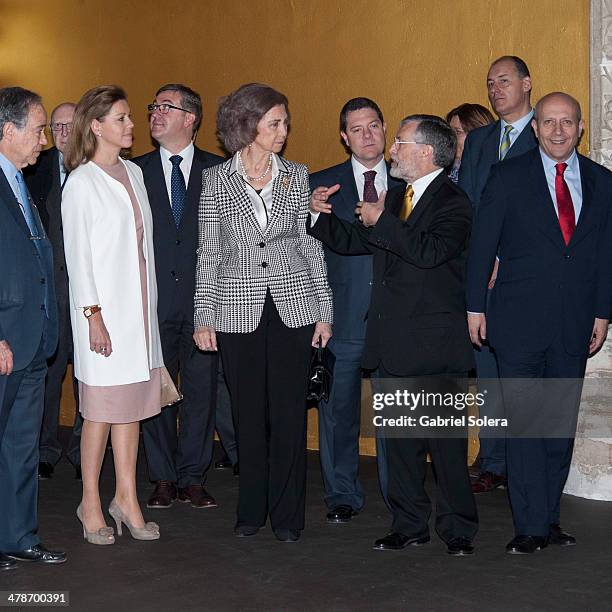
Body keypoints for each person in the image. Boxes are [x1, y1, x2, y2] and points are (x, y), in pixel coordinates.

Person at [309, 115, 478, 556]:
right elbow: (357, 241)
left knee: (445, 450)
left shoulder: (453, 202)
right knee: (401, 448)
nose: (391, 150)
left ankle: (458, 528)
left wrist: (382, 219)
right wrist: (318, 217)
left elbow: (429, 253)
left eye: (400, 142)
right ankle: (409, 523)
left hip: (436, 345)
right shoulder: (401, 196)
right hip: (392, 342)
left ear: (426, 152)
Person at [466, 92, 612, 554]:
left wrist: (603, 312)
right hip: (517, 323)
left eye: (566, 122)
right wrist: (475, 308)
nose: (556, 130)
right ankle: (528, 526)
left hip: (574, 325)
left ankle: (549, 520)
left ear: (580, 127)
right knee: (527, 426)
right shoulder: (507, 176)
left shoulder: (602, 182)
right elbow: (482, 246)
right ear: (535, 128)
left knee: (557, 428)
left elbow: (606, 255)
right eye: (548, 121)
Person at [193, 83, 333, 543]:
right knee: (247, 415)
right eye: (274, 123)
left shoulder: (296, 175)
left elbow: (311, 246)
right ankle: (251, 509)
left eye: (285, 123)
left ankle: (289, 517)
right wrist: (203, 315)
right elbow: (209, 252)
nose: (284, 131)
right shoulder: (216, 180)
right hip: (236, 312)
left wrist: (324, 311)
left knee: (291, 415)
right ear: (246, 125)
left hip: (294, 308)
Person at [62, 85, 163, 544]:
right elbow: (78, 258)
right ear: (96, 125)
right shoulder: (80, 181)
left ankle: (125, 497)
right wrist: (93, 316)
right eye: (120, 118)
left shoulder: (135, 173)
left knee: (132, 409)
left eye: (129, 117)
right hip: (101, 315)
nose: (130, 126)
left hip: (139, 312)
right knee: (101, 410)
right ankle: (89, 499)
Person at [309, 97, 403, 523]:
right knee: (338, 413)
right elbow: (303, 256)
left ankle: (400, 495)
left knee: (395, 414)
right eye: (357, 129)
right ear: (344, 137)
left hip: (395, 319)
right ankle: (342, 495)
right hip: (340, 317)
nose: (367, 135)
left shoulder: (410, 181)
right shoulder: (321, 186)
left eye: (374, 126)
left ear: (384, 129)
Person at [133, 84, 225, 510]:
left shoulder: (222, 171)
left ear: (191, 118)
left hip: (206, 303)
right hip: (151, 303)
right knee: (157, 390)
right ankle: (163, 477)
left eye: (166, 107)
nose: (154, 113)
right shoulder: (133, 172)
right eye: (153, 106)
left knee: (203, 391)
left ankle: (193, 477)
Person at [459, 56, 538, 494]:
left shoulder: (547, 134)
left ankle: (527, 464)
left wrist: (504, 258)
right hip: (482, 280)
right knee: (488, 375)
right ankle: (492, 462)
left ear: (527, 84)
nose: (495, 89)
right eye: (490, 83)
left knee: (524, 377)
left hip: (525, 277)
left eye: (504, 81)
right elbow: (469, 206)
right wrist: (480, 258)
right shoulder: (479, 141)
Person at [0, 86, 65, 569]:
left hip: (33, 338)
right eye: (38, 129)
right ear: (8, 131)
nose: (44, 140)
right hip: (4, 340)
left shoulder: (25, 182)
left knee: (21, 448)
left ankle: (18, 536)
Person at [25, 101, 83, 481]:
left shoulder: (98, 169)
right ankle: (45, 448)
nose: (61, 133)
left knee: (89, 378)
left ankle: (82, 450)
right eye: (55, 126)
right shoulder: (32, 170)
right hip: (49, 292)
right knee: (48, 376)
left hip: (88, 291)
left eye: (68, 125)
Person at [445, 103, 494, 183]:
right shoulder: (443, 172)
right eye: (449, 132)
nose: (450, 137)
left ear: (478, 135)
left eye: (458, 132)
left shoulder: (491, 175)